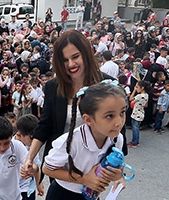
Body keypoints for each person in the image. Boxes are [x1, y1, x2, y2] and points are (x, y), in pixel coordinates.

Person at [22, 31, 107, 178]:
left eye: (75, 57)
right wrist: (29, 158)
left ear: (86, 54)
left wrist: (116, 171)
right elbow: (45, 126)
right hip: (59, 166)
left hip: (92, 166)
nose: (71, 64)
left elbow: (116, 132)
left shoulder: (106, 86)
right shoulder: (53, 87)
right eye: (64, 60)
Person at [13, 115, 44, 200]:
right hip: (10, 186)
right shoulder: (10, 145)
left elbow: (37, 167)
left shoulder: (32, 148)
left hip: (26, 186)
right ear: (19, 135)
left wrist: (39, 184)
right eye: (31, 137)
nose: (34, 140)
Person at [128, 80, 150, 147]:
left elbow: (130, 98)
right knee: (136, 128)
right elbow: (146, 105)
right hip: (141, 113)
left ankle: (135, 142)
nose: (136, 88)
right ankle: (136, 141)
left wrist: (134, 91)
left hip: (136, 114)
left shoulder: (139, 96)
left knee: (135, 128)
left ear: (142, 87)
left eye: (137, 87)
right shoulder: (146, 95)